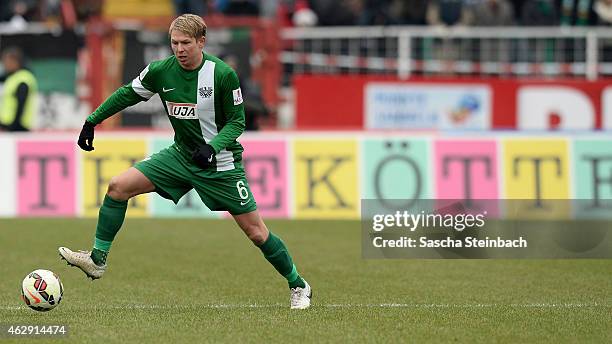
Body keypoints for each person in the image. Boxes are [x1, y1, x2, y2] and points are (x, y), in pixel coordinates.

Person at [58, 14, 312, 309]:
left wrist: (213, 147)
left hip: (221, 164)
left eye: (185, 43)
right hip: (181, 156)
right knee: (118, 186)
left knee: (256, 232)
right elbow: (128, 94)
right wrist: (93, 120)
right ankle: (97, 260)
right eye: (174, 43)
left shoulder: (222, 74)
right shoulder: (160, 71)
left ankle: (298, 285)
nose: (179, 49)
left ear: (201, 42)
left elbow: (237, 122)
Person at [0, 46, 37, 132]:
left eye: (7, 62)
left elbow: (21, 104)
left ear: (16, 62)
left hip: (18, 127)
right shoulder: (13, 77)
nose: (5, 65)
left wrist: (14, 126)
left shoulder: (23, 79)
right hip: (8, 125)